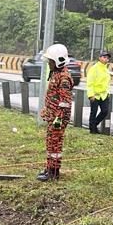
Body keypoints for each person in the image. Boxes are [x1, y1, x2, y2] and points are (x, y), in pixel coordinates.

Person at [37, 44, 74, 182]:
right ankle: (49, 168)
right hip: (52, 116)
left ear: (58, 61)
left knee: (55, 144)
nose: (49, 64)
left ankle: (54, 172)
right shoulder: (56, 74)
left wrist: (58, 118)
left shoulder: (64, 77)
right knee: (50, 142)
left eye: (51, 61)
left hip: (58, 117)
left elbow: (65, 101)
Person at [86, 51, 112, 134]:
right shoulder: (94, 68)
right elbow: (90, 83)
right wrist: (91, 95)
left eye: (107, 58)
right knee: (93, 112)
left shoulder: (106, 69)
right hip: (95, 94)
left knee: (105, 111)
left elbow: (107, 82)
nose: (106, 59)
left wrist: (108, 93)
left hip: (104, 94)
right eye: (104, 57)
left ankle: (94, 124)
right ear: (99, 58)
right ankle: (92, 129)